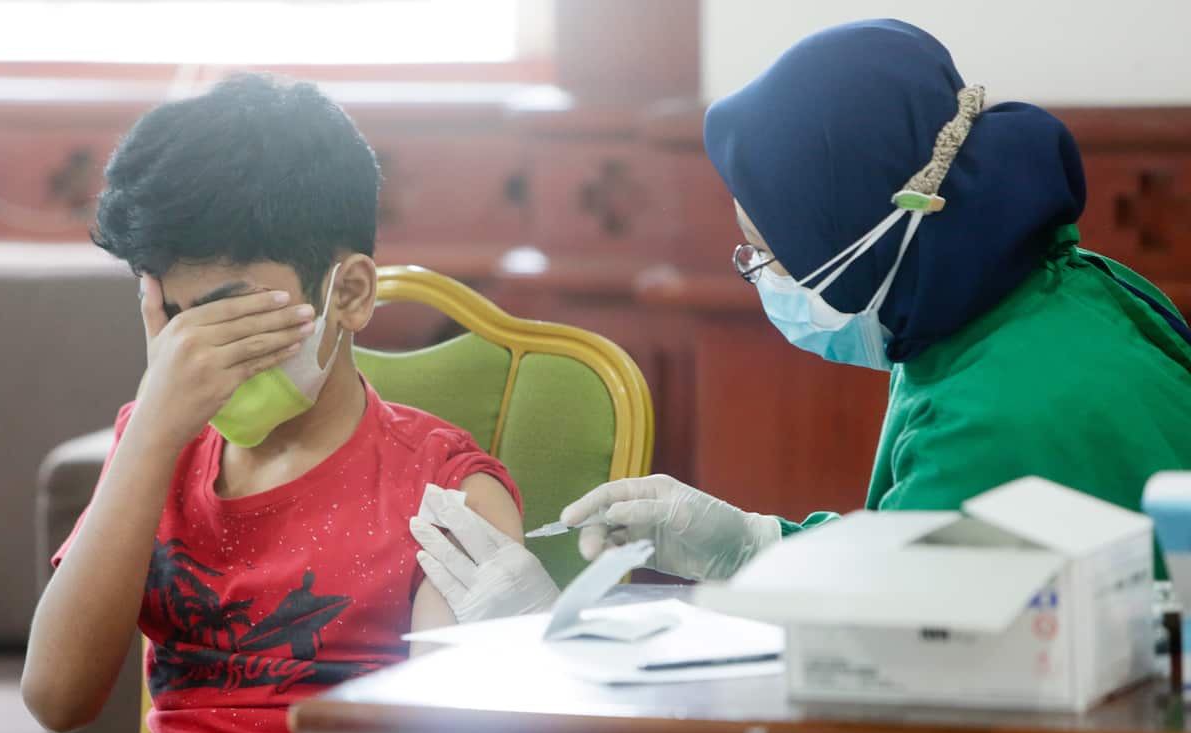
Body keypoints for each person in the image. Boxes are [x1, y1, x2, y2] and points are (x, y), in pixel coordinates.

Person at [0, 73, 547, 733]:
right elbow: (58, 696)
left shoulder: (449, 492)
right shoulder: (157, 448)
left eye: (231, 315)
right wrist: (150, 433)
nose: (195, 357)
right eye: (173, 320)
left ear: (348, 292)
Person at [416, 19, 1191, 595]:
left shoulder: (1002, 414)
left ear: (870, 231)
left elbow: (891, 653)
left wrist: (537, 651)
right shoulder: (1033, 296)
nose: (759, 275)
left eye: (770, 252)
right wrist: (756, 546)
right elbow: (923, 550)